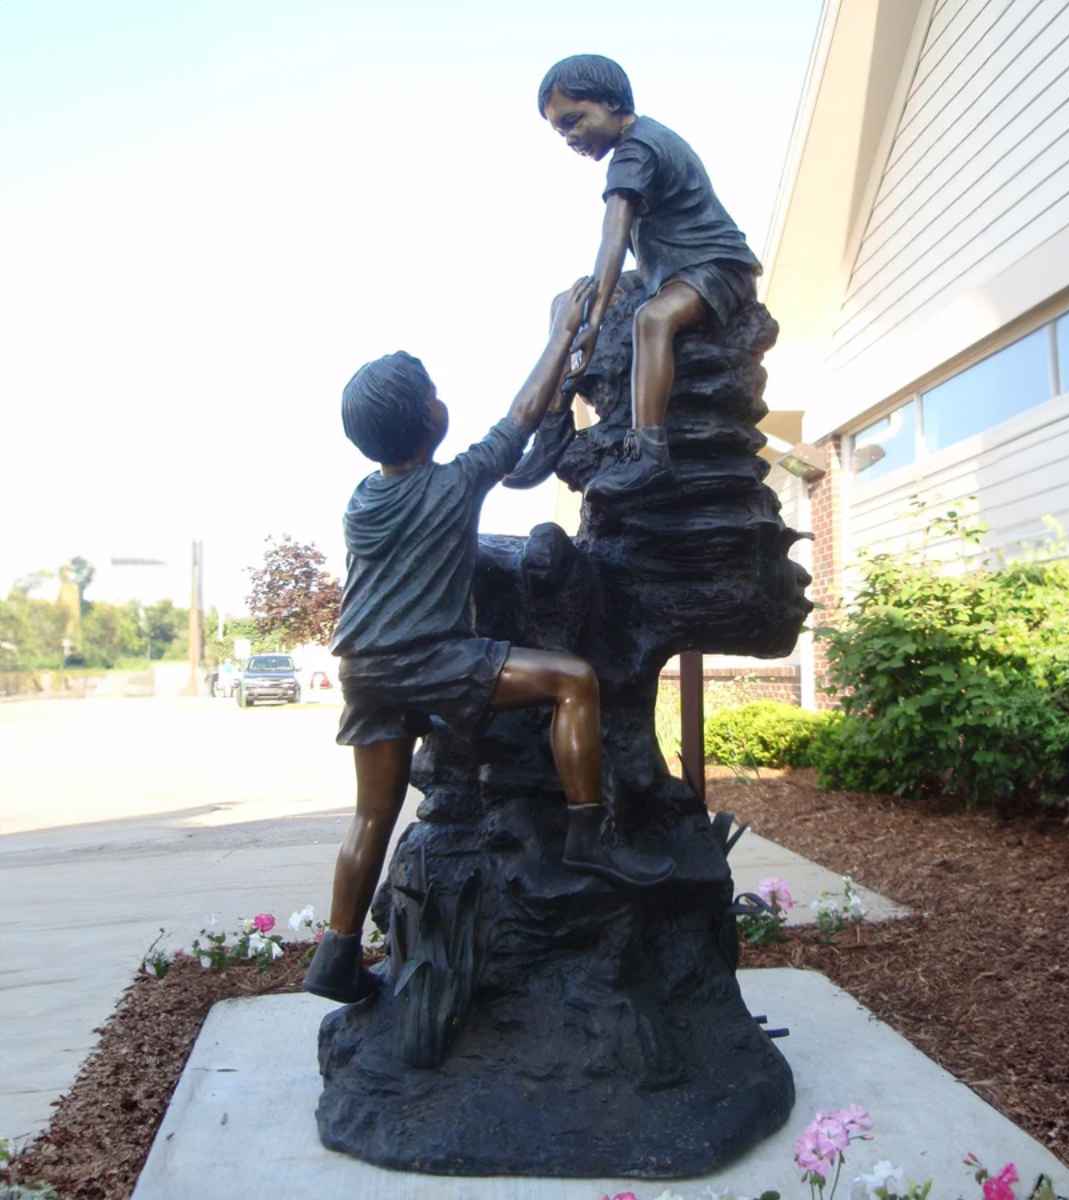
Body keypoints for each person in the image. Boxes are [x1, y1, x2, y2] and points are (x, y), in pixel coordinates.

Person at [303, 277, 675, 1005]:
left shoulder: (362, 501)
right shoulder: (456, 483)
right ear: (431, 421)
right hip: (429, 664)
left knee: (370, 816)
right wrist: (563, 331)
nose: (444, 402)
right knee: (574, 680)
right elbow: (524, 411)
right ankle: (586, 834)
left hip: (362, 671)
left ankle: (336, 957)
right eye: (436, 395)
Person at [503, 54, 761, 500]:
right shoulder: (634, 144)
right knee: (565, 302)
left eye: (574, 120)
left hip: (717, 267)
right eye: (560, 130)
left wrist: (594, 324)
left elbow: (613, 239)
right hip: (665, 268)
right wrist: (583, 312)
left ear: (610, 102)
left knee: (653, 319)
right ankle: (554, 427)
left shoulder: (637, 149)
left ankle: (650, 453)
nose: (568, 137)